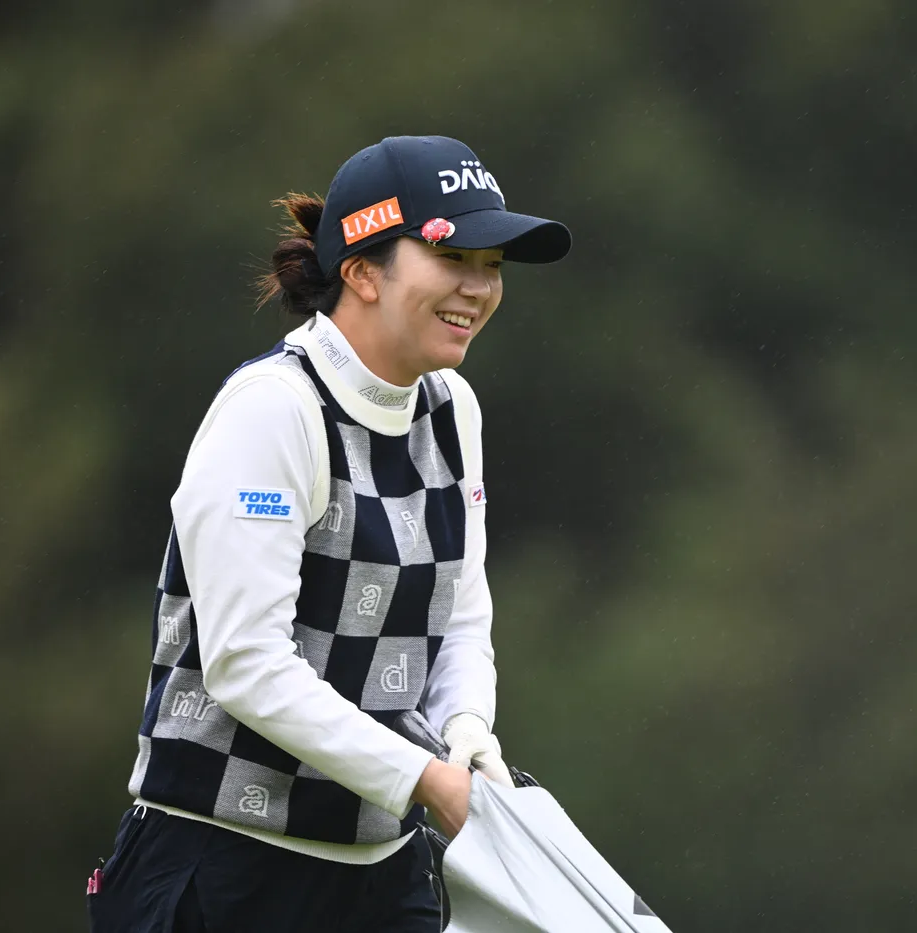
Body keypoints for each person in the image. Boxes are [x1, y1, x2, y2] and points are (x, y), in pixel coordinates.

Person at [87, 135, 572, 933]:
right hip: (222, 871)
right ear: (362, 271)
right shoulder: (273, 409)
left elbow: (459, 616)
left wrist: (466, 733)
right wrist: (426, 777)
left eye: (492, 265)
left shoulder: (453, 409)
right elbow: (246, 663)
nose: (479, 287)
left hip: (384, 876)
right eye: (453, 257)